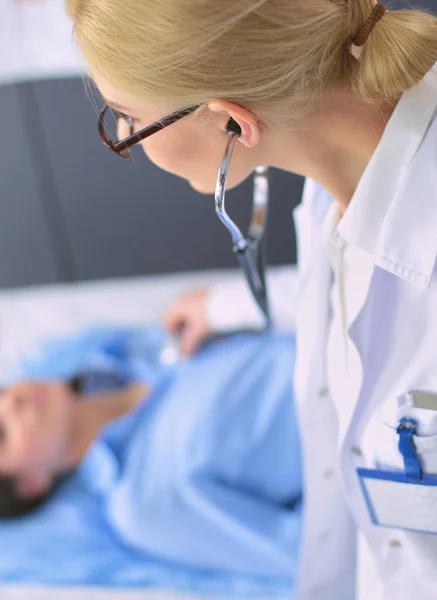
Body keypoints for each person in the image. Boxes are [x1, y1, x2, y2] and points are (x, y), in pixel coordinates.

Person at [65, 1, 437, 598]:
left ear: (233, 123)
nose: (129, 136)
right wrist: (222, 307)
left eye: (127, 117)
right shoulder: (334, 198)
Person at [0, 326, 302, 586]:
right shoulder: (143, 503)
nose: (11, 402)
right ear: (31, 484)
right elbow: (306, 549)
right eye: (2, 433)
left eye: (1, 394)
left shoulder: (133, 349)